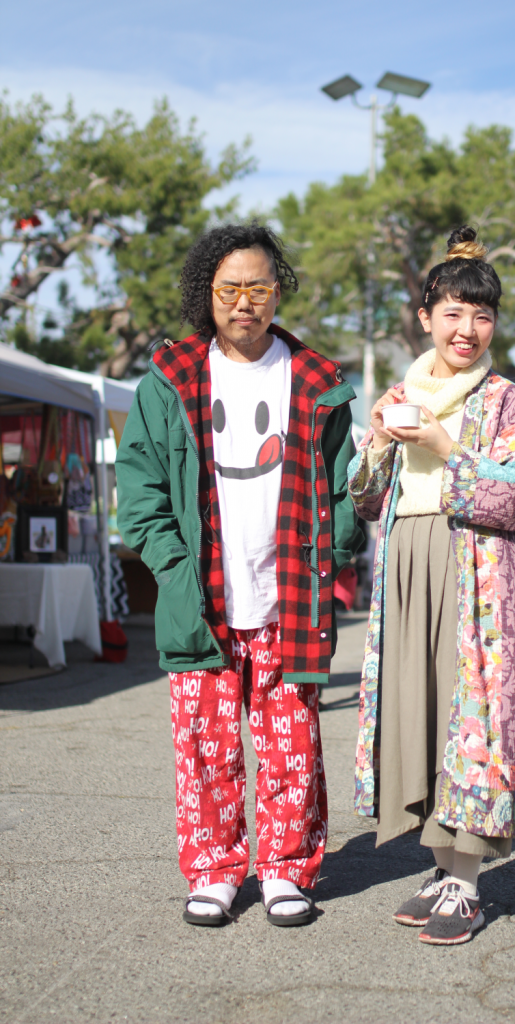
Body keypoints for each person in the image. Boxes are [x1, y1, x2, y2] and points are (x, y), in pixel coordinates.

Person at [116, 222, 362, 927]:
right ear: (207, 293)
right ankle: (215, 870)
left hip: (289, 596)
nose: (244, 301)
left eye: (258, 286)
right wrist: (169, 565)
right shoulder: (170, 377)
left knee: (291, 746)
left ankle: (287, 870)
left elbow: (346, 486)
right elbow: (139, 487)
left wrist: (333, 556)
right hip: (202, 599)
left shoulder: (317, 381)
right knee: (205, 748)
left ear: (277, 289)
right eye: (230, 288)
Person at [348, 226, 515, 946]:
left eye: (482, 315)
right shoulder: (404, 389)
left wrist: (443, 447)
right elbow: (366, 500)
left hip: (478, 575)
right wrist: (375, 442)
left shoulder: (506, 402)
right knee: (421, 715)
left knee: (475, 721)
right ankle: (440, 869)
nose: (467, 329)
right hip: (407, 564)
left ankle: (467, 885)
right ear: (426, 315)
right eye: (453, 313)